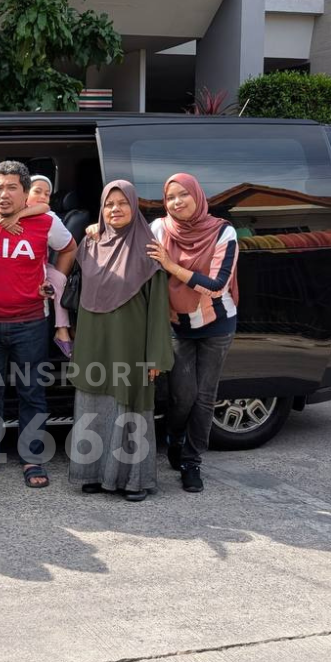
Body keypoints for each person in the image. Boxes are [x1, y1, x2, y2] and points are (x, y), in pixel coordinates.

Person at [0, 161, 76, 489]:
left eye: (12, 187)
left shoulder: (45, 220)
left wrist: (55, 278)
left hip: (31, 323)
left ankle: (32, 458)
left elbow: (69, 248)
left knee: (32, 392)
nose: (4, 194)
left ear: (25, 193)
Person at [69, 180, 173, 502]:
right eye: (109, 204)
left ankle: (132, 481)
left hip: (131, 345)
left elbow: (158, 308)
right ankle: (91, 474)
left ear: (134, 206)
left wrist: (155, 356)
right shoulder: (89, 245)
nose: (115, 209)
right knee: (92, 405)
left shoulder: (149, 249)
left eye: (122, 203)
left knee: (129, 409)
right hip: (93, 342)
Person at [146, 173, 239, 494]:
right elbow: (125, 241)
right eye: (170, 197)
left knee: (204, 398)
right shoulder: (158, 229)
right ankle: (174, 439)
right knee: (181, 396)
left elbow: (215, 286)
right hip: (176, 324)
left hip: (217, 324)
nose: (176, 202)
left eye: (183, 194)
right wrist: (95, 228)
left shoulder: (223, 232)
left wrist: (170, 265)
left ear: (198, 196)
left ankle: (191, 461)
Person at [0, 174, 73, 359]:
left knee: (60, 280)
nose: (43, 196)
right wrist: (1, 218)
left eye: (47, 193)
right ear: (25, 193)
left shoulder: (46, 217)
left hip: (32, 316)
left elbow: (69, 247)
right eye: (37, 191)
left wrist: (18, 215)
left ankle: (62, 330)